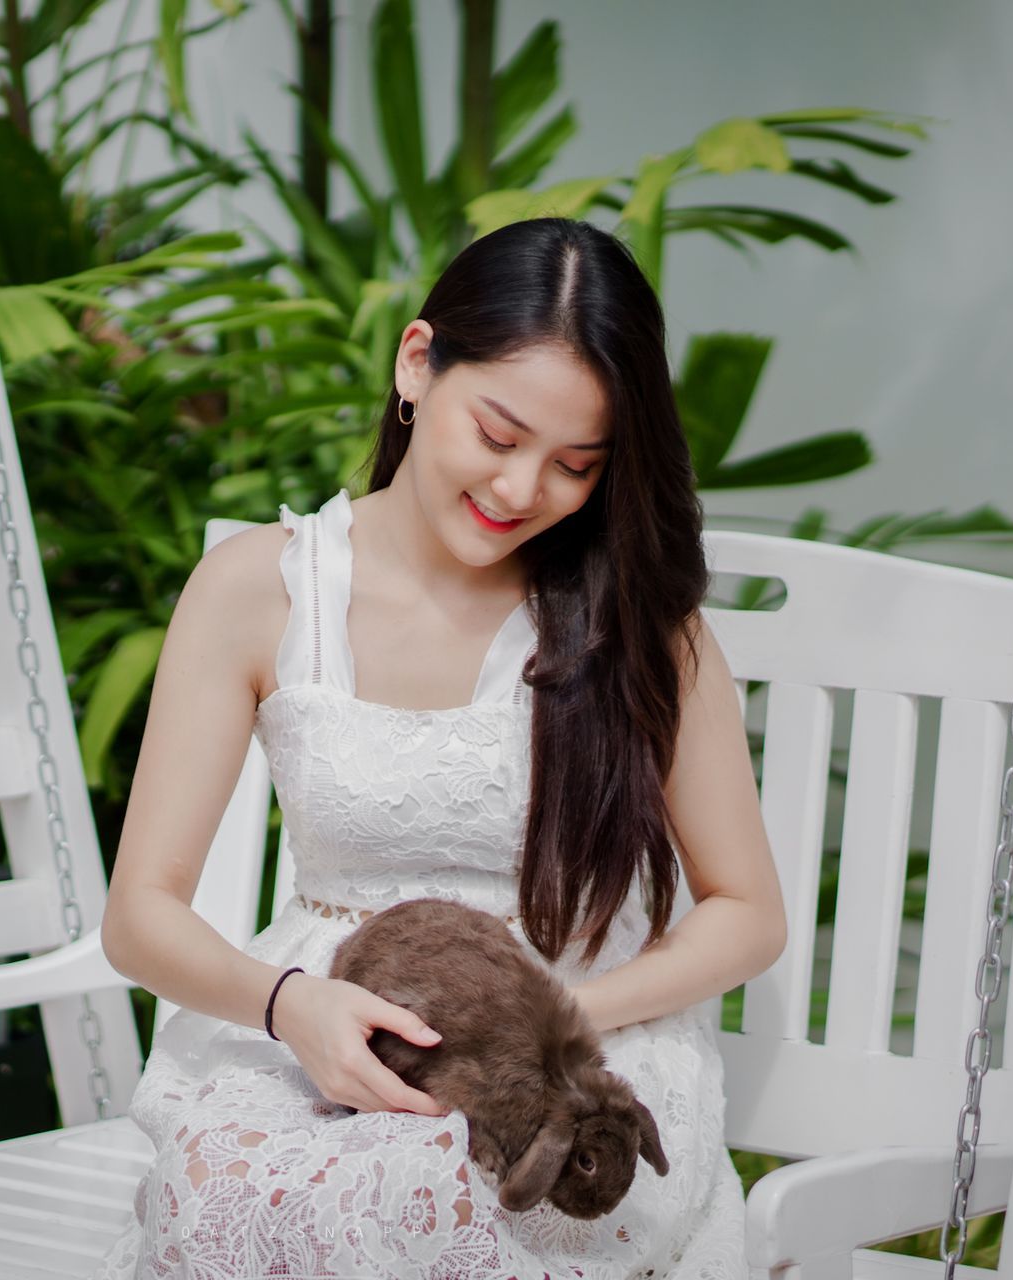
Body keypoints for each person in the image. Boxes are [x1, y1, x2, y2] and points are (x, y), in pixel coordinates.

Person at [90, 216, 786, 1279]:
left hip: (574, 1049)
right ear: (417, 363)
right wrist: (291, 1006)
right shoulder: (257, 591)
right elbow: (140, 913)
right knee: (232, 1202)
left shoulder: (640, 627)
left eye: (575, 466)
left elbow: (747, 910)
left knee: (459, 1205)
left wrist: (554, 1018)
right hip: (325, 1033)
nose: (520, 491)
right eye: (498, 436)